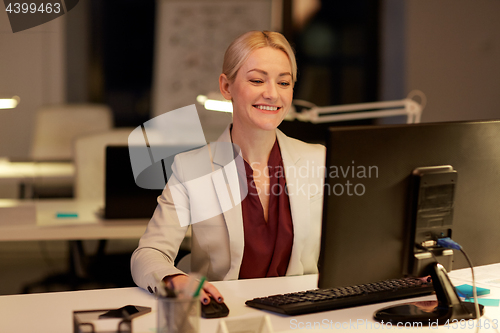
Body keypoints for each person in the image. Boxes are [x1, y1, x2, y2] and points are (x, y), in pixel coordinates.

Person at [131, 31, 325, 305]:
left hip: (301, 314)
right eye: (257, 80)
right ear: (226, 87)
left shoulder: (319, 161)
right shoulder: (192, 168)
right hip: (226, 312)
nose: (272, 93)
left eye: (284, 82)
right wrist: (173, 278)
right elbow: (149, 252)